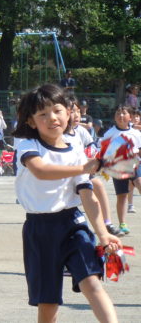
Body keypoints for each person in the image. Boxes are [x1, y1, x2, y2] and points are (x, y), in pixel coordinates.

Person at [12, 84, 121, 322]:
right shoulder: (28, 146)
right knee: (48, 302)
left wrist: (102, 234)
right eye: (42, 114)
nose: (52, 118)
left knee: (92, 282)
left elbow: (87, 194)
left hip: (73, 223)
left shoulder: (76, 150)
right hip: (39, 228)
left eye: (57, 110)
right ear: (31, 121)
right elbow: (41, 171)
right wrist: (82, 167)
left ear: (69, 112)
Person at [64, 99, 120, 236]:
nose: (76, 115)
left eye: (78, 111)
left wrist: (98, 159)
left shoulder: (80, 132)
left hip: (81, 172)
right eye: (72, 112)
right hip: (69, 173)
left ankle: (107, 223)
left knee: (97, 185)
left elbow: (92, 147)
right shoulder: (60, 135)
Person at [101, 105, 141, 235]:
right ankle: (122, 224)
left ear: (130, 117)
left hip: (135, 165)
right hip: (118, 168)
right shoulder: (109, 134)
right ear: (114, 117)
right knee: (122, 196)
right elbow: (104, 152)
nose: (121, 115)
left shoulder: (136, 133)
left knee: (140, 183)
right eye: (118, 113)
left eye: (124, 113)